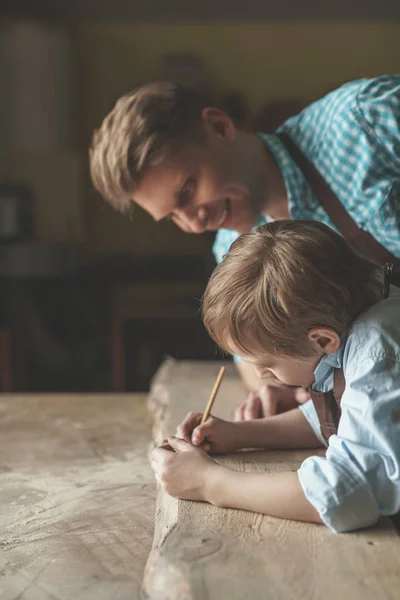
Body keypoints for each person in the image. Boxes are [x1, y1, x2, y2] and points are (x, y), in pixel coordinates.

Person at [89, 75, 400, 416]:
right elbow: (252, 362)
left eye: (188, 191)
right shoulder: (234, 249)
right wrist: (276, 389)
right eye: (174, 216)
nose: (195, 224)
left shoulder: (368, 117)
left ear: (220, 127)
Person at [150, 220, 400, 533]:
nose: (259, 374)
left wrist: (210, 482)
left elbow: (347, 495)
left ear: (322, 340)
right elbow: (346, 416)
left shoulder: (377, 352)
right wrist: (240, 434)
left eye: (266, 363)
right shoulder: (359, 318)